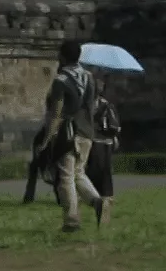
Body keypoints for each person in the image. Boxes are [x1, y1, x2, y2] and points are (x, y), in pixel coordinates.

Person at [35, 40, 108, 232]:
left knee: (66, 177)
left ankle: (71, 219)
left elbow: (56, 113)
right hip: (87, 131)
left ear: (62, 56)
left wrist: (47, 138)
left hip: (69, 132)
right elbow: (92, 106)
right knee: (79, 173)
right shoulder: (89, 77)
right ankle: (97, 201)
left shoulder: (61, 80)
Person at [86, 82, 122, 199]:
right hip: (104, 140)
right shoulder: (105, 104)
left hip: (99, 139)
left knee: (98, 168)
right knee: (101, 168)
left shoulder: (99, 105)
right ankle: (103, 194)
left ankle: (101, 194)